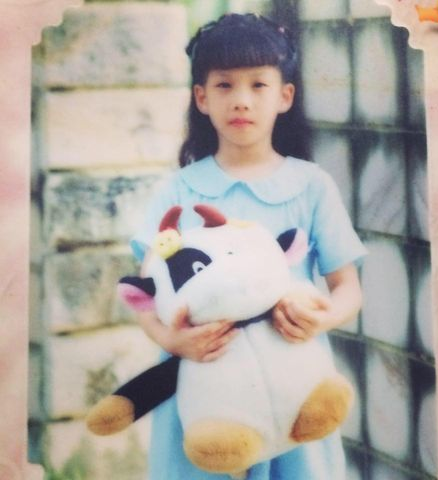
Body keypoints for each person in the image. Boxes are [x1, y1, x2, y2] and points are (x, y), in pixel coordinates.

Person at [130, 13, 366, 480]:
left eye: (258, 85)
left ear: (285, 96)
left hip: (292, 377)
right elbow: (145, 295)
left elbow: (348, 287)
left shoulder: (311, 186)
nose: (241, 100)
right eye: (224, 85)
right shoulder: (178, 191)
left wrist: (322, 318)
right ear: (201, 97)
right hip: (203, 383)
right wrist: (173, 340)